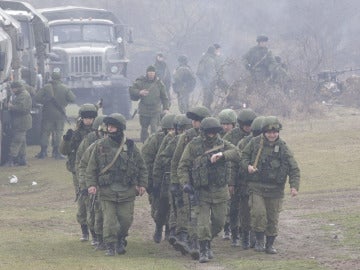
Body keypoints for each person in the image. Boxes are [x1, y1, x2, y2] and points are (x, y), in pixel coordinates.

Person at [211, 116, 300, 254]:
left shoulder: (283, 147)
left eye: (275, 132)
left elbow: (293, 167)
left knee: (272, 218)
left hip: (275, 189)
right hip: (256, 187)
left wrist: (294, 186)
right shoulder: (254, 143)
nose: (272, 135)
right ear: (264, 132)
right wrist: (248, 167)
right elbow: (242, 157)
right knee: (258, 214)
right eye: (269, 132)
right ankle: (259, 240)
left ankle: (269, 244)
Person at [86, 113, 148, 256]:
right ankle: (111, 245)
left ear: (120, 128)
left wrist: (142, 184)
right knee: (109, 221)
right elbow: (91, 168)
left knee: (126, 220)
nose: (109, 128)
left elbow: (141, 167)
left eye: (113, 126)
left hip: (127, 191)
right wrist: (91, 184)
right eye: (108, 126)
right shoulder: (100, 146)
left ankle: (121, 238)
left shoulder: (131, 146)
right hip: (107, 191)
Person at [178, 117, 235, 263]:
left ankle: (207, 242)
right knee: (203, 223)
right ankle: (203, 250)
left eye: (214, 132)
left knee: (219, 222)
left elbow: (237, 153)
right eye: (209, 132)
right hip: (201, 191)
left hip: (220, 191)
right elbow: (183, 166)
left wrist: (222, 155)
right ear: (203, 132)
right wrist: (185, 183)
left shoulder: (223, 144)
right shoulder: (193, 145)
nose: (212, 135)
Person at [170, 106, 211, 259]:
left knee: (203, 215)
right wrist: (176, 183)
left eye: (198, 121)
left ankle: (201, 243)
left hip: (207, 184)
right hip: (188, 183)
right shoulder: (186, 137)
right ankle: (192, 242)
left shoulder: (215, 137)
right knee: (190, 212)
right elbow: (176, 161)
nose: (195, 124)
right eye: (193, 121)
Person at [60, 103, 98, 242]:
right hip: (78, 172)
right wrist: (66, 139)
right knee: (82, 201)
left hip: (94, 172)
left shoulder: (99, 132)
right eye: (86, 118)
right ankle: (85, 231)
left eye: (91, 118)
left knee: (94, 202)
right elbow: (63, 151)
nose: (88, 120)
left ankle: (95, 232)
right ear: (81, 118)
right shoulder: (76, 134)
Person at [222, 108, 257, 243]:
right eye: (246, 125)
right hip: (233, 174)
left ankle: (246, 232)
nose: (248, 128)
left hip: (248, 175)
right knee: (233, 206)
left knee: (248, 207)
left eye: (250, 125)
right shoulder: (231, 136)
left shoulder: (256, 136)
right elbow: (227, 157)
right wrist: (230, 182)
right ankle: (232, 230)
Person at [141, 113, 176, 243]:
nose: (172, 132)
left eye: (174, 129)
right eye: (170, 129)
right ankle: (158, 227)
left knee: (173, 207)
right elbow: (147, 161)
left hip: (173, 179)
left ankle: (169, 229)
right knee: (159, 208)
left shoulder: (181, 139)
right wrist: (150, 183)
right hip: (158, 180)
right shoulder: (155, 140)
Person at [34, 71, 75, 159]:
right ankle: (56, 152)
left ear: (51, 78)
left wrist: (45, 102)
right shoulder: (65, 88)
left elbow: (37, 98)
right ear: (60, 78)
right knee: (58, 132)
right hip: (60, 114)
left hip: (47, 114)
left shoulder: (46, 87)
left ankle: (43, 152)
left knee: (45, 132)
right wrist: (64, 103)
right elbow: (72, 98)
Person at [129, 65, 170, 142]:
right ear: (147, 73)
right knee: (144, 129)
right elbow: (131, 89)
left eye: (152, 73)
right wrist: (139, 92)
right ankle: (144, 143)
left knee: (154, 128)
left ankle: (153, 143)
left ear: (155, 73)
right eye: (149, 72)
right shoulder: (141, 81)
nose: (151, 74)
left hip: (155, 110)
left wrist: (166, 108)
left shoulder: (159, 83)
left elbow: (164, 97)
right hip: (144, 110)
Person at [5, 81, 32, 166]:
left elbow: (22, 108)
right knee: (22, 141)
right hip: (22, 121)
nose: (12, 90)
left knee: (17, 140)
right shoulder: (21, 94)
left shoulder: (23, 95)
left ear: (16, 88)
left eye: (13, 88)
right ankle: (22, 159)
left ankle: (11, 161)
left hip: (21, 121)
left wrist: (10, 106)